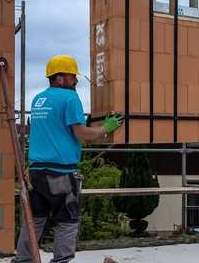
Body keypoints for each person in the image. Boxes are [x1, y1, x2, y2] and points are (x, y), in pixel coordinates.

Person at [12, 55, 124, 263]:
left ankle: (23, 260)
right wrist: (105, 129)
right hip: (60, 173)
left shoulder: (39, 99)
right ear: (60, 78)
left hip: (36, 173)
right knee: (67, 220)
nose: (76, 81)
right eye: (72, 76)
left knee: (34, 220)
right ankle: (61, 261)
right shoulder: (70, 98)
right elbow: (81, 133)